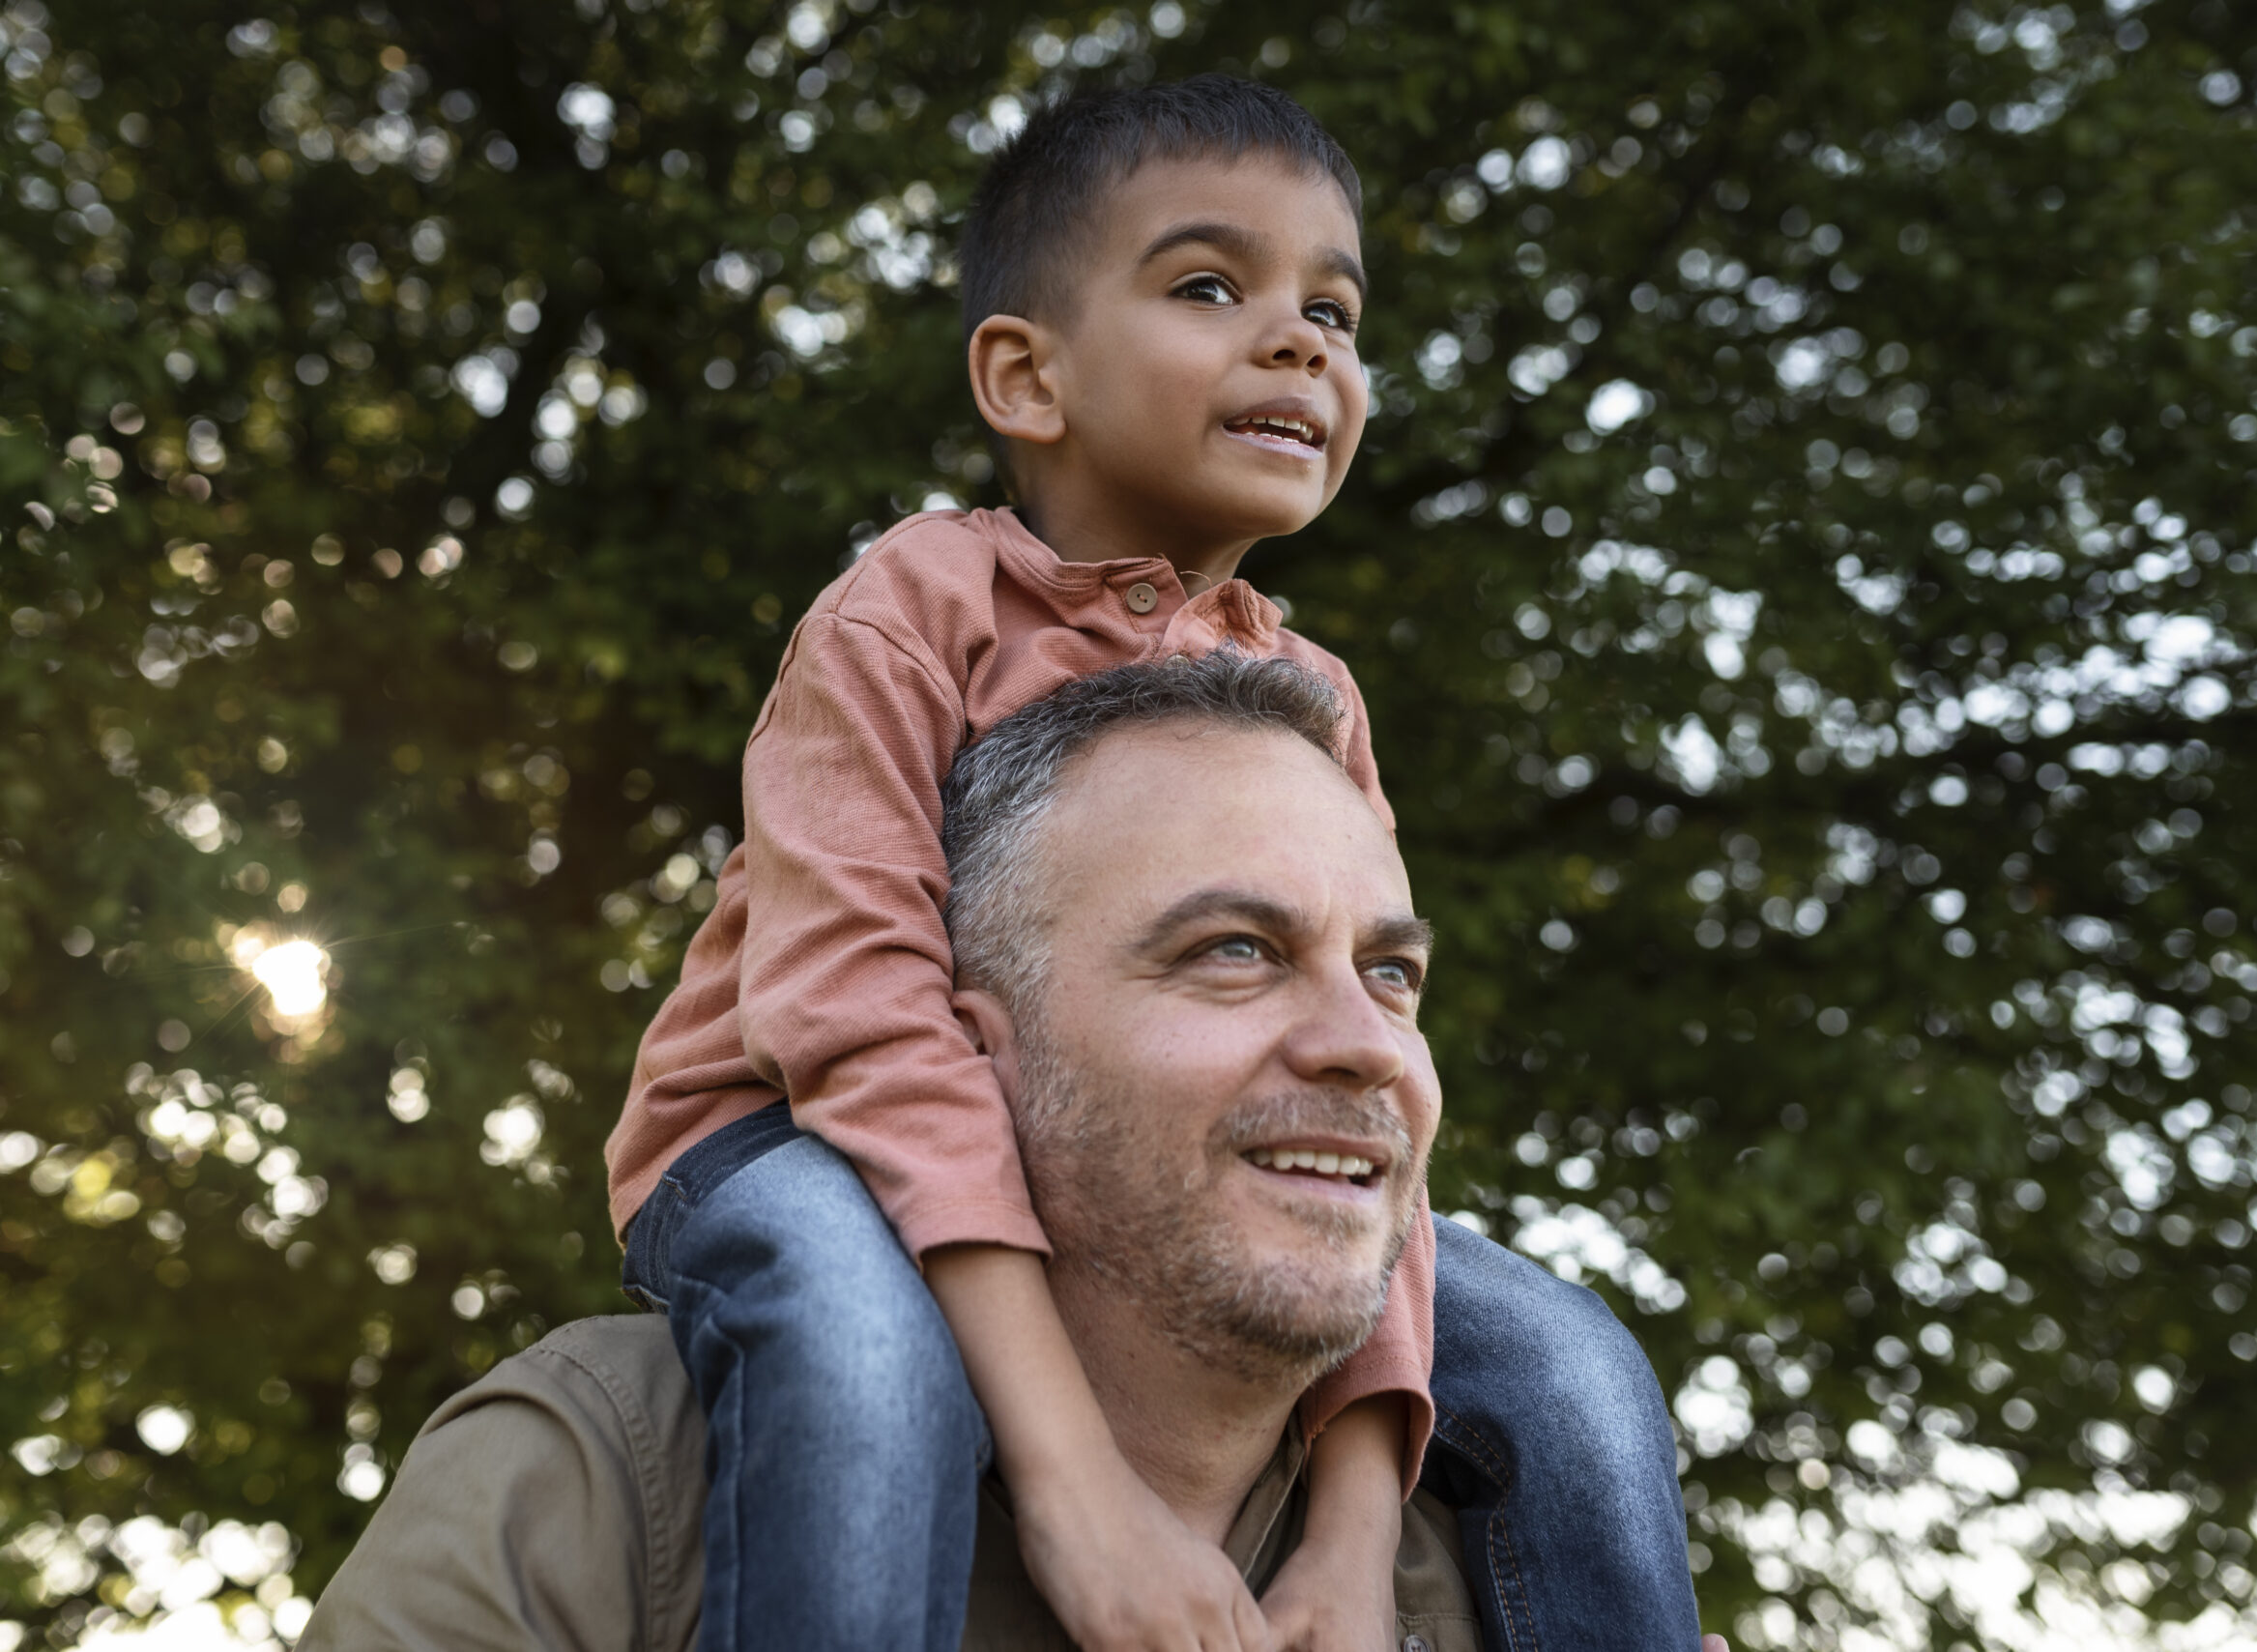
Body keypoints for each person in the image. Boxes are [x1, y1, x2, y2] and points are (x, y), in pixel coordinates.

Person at [599, 77, 1701, 1652]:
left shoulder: (1309, 702)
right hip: (794, 1141)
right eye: (1210, 286)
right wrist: (1078, 1487)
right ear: (1025, 375)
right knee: (856, 1348)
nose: (1304, 340)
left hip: (1135, 1168)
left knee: (1574, 1367)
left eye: (1335, 306)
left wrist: (1349, 1541)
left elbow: (1369, 1086)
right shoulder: (912, 610)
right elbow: (857, 1014)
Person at [309, 656, 1710, 1652]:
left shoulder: (1516, 1570)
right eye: (1236, 950)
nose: (1368, 1045)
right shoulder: (614, 1489)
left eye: (1394, 975)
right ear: (974, 1058)